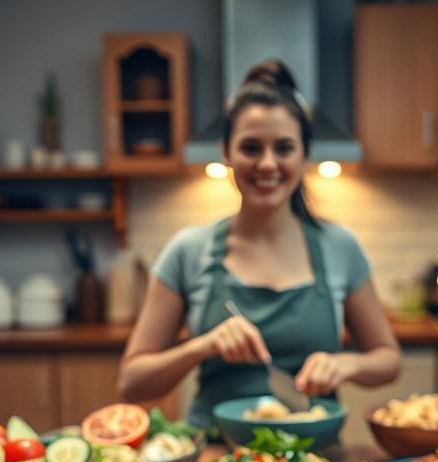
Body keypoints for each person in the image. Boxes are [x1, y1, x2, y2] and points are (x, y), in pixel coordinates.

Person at [118, 59, 400, 428]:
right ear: (226, 152)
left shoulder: (339, 246)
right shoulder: (188, 251)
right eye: (251, 148)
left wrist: (347, 364)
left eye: (284, 148)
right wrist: (201, 347)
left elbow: (388, 359)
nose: (267, 164)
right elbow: (131, 382)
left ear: (304, 155)